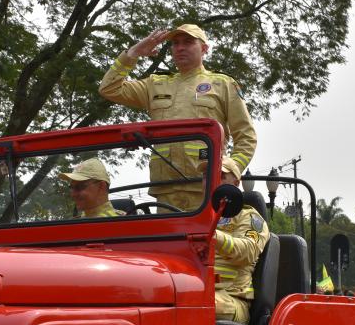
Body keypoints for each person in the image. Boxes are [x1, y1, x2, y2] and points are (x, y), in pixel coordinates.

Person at [99, 24, 257, 210]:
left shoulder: (222, 84)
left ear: (204, 48)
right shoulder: (155, 84)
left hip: (207, 188)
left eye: (188, 42)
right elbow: (109, 89)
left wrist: (231, 170)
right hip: (165, 190)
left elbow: (246, 136)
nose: (180, 47)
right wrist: (133, 54)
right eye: (175, 43)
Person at [204, 157, 269, 324]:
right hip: (196, 291)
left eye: (220, 176)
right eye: (206, 175)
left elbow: (248, 251)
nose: (210, 180)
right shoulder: (194, 216)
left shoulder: (250, 217)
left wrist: (214, 236)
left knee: (194, 306)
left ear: (236, 182)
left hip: (233, 300)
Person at [58, 158, 125, 218]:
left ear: (102, 187)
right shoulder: (79, 220)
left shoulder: (118, 223)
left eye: (79, 187)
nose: (73, 194)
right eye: (71, 187)